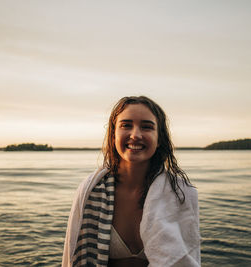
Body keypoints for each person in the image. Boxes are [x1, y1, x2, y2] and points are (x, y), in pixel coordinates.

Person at [62, 96, 200, 267]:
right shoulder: (90, 191)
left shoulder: (182, 192)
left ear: (159, 139)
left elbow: (188, 257)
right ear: (113, 135)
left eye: (147, 127)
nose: (135, 135)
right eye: (126, 125)